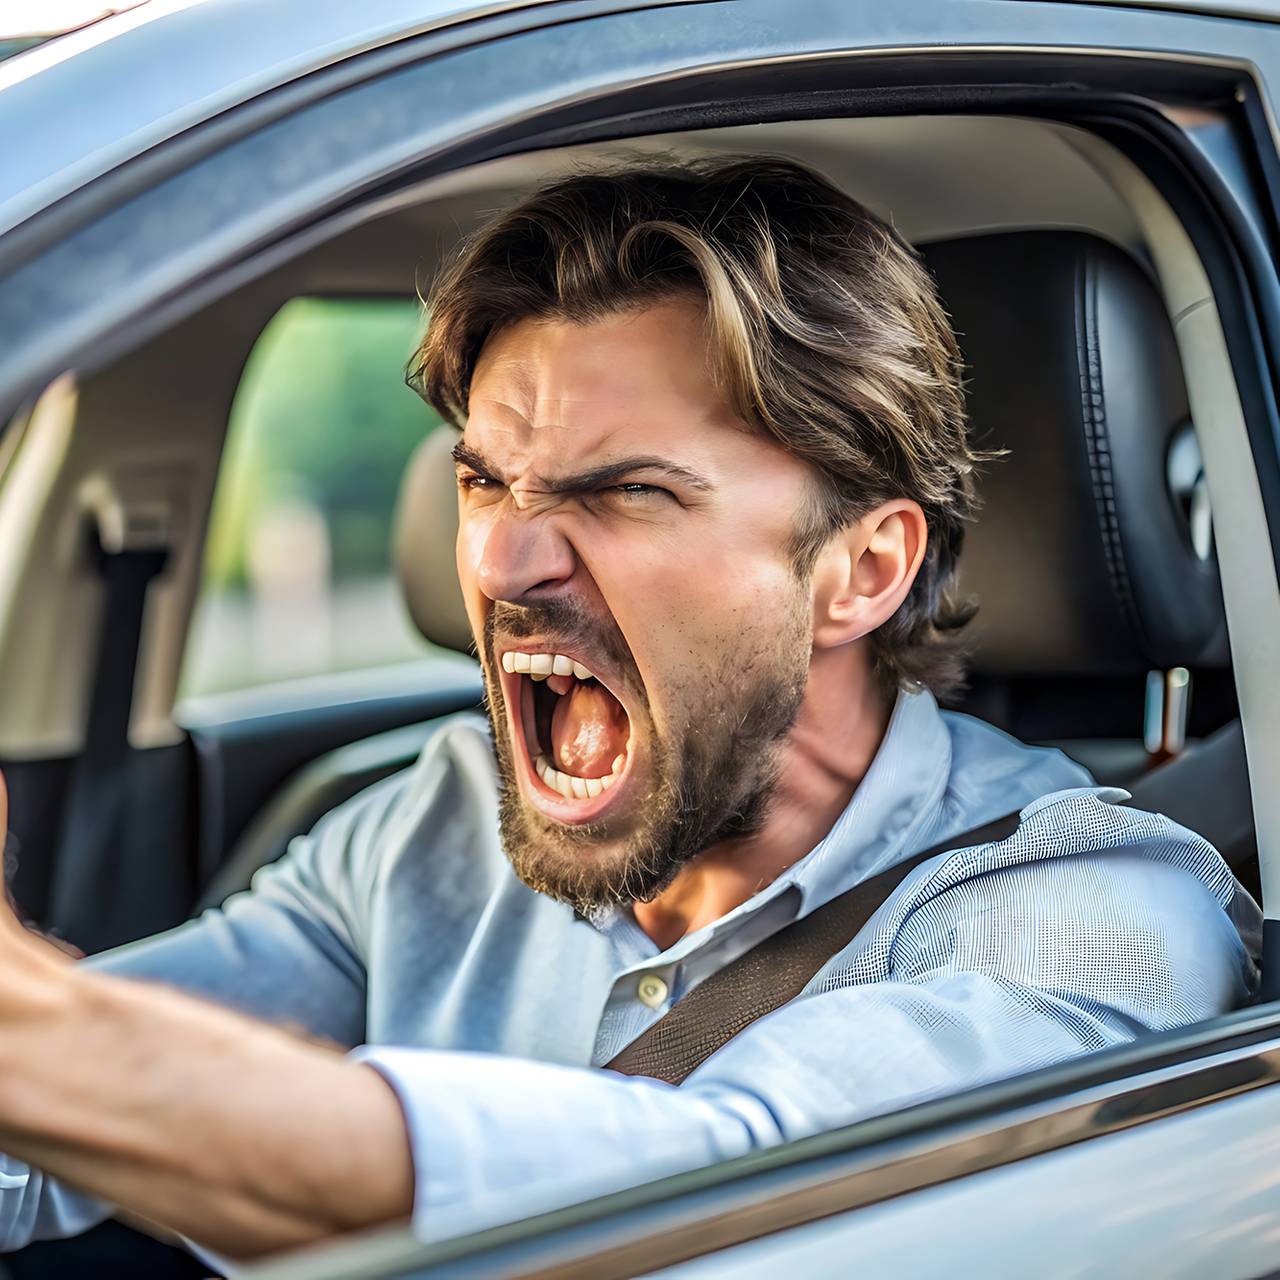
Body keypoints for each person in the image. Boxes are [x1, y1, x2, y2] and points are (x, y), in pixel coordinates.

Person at [0, 159, 1260, 1263]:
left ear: (861, 571)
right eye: (485, 482)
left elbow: (727, 1200)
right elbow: (49, 1151)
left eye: (627, 493)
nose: (499, 564)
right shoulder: (428, 825)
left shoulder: (1093, 922)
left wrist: (44, 1036)